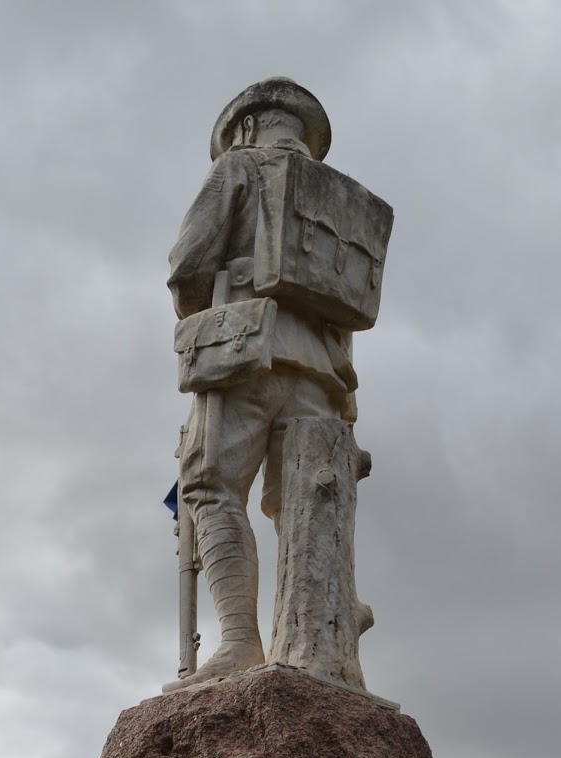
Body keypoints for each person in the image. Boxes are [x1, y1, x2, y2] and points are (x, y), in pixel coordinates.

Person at [164, 79, 358, 691]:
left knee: (211, 487)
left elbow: (188, 266)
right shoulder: (342, 199)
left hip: (244, 350)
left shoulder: (239, 167)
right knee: (301, 504)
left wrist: (201, 317)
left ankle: (241, 643)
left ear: (244, 127)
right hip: (324, 375)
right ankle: (319, 645)